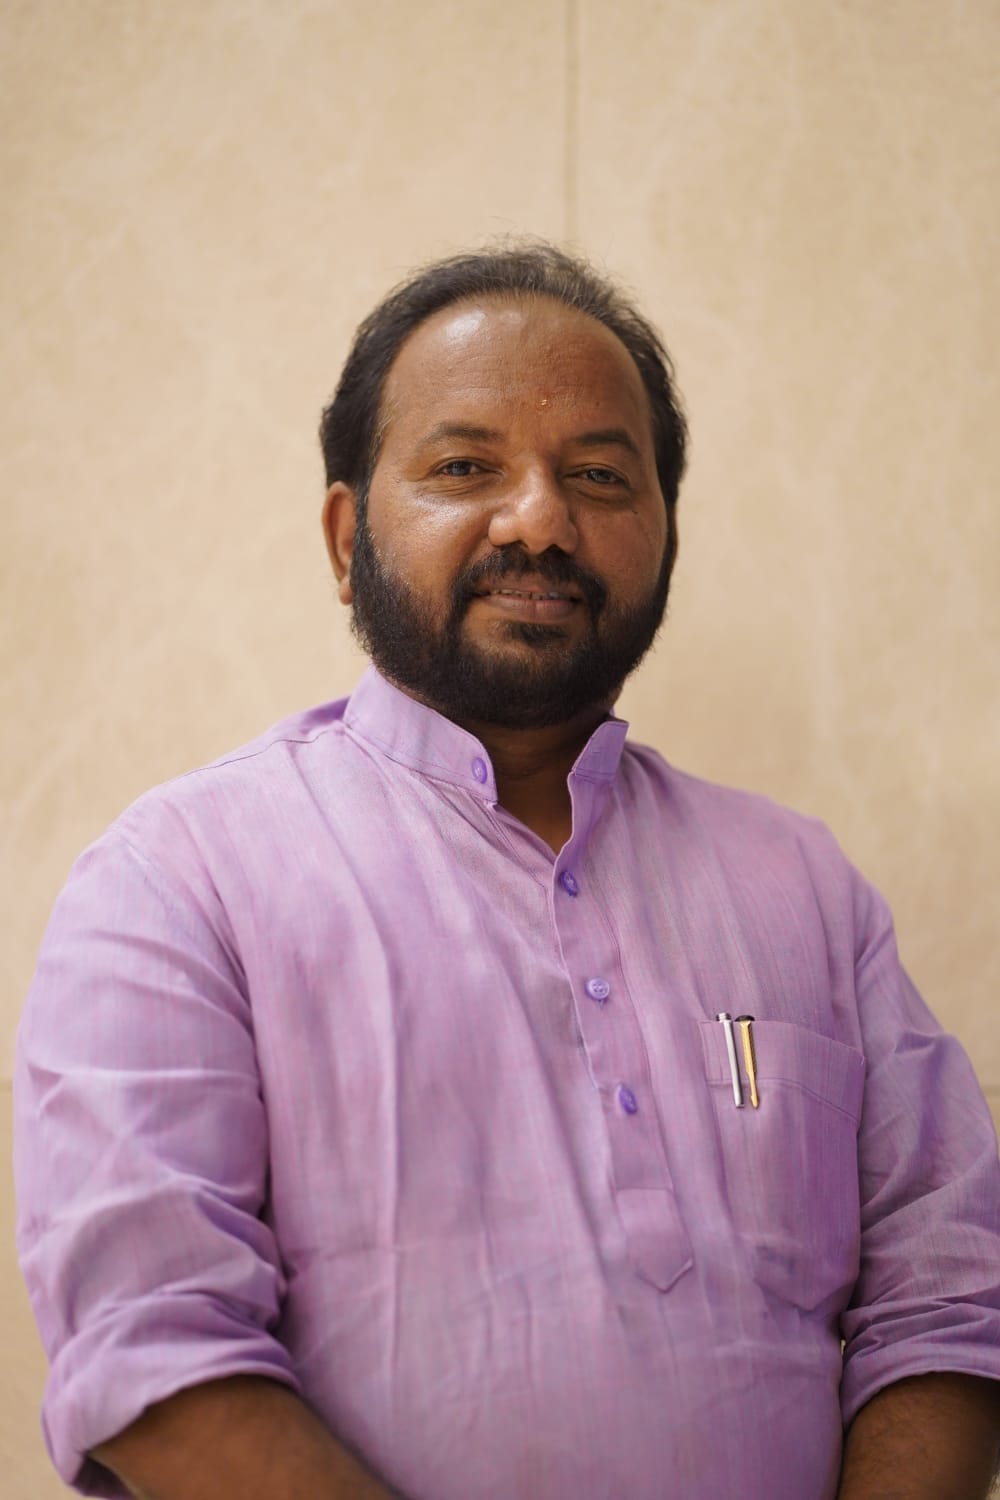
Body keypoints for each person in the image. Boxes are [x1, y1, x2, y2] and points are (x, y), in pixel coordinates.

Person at [14, 242, 1000, 1500]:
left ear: (664, 535)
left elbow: (950, 1304)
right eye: (464, 467)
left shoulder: (803, 887)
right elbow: (152, 1353)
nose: (539, 519)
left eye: (597, 475)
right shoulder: (178, 877)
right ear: (346, 536)